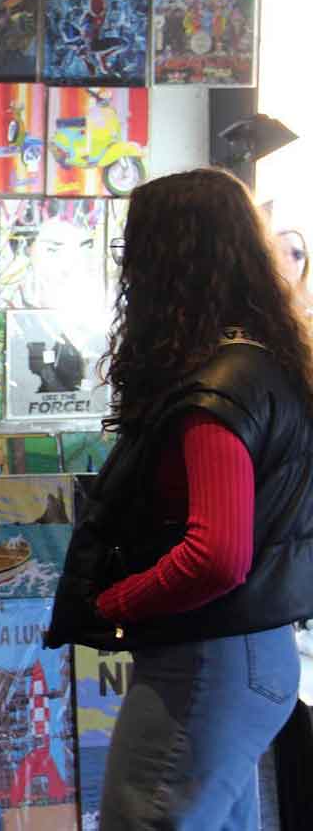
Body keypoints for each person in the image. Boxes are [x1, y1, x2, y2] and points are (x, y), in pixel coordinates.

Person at [46, 168, 313, 829]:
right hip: (244, 651)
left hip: (210, 658)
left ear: (168, 258)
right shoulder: (265, 364)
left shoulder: (218, 390)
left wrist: (114, 603)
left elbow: (217, 555)